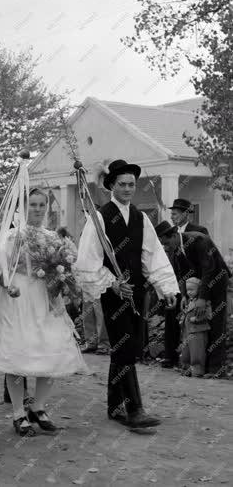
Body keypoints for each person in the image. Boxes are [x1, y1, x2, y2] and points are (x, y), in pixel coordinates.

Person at [74, 159, 179, 429]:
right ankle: (135, 409)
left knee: (126, 347)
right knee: (125, 346)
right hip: (113, 294)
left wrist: (165, 286)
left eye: (132, 184)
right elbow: (88, 260)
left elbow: (152, 255)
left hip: (137, 292)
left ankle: (114, 405)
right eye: (122, 184)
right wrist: (112, 283)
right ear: (111, 186)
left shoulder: (141, 217)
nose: (128, 188)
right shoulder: (99, 218)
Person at [0, 188, 88, 436]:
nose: (38, 210)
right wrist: (7, 281)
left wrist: (63, 276)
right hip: (19, 297)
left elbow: (64, 268)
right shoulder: (10, 237)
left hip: (46, 298)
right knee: (19, 354)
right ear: (22, 207)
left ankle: (39, 407)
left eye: (42, 205)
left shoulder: (54, 238)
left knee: (50, 350)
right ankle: (19, 412)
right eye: (33, 205)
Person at [155, 220, 230, 378]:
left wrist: (202, 299)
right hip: (199, 285)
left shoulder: (198, 241)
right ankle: (200, 366)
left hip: (217, 281)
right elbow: (182, 273)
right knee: (199, 324)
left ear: (175, 235)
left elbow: (208, 269)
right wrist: (183, 295)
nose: (165, 247)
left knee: (216, 323)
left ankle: (217, 369)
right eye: (163, 245)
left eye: (167, 243)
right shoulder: (175, 249)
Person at [178, 277, 211, 377]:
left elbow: (209, 315)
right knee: (185, 352)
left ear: (199, 290)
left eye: (192, 289)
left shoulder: (203, 302)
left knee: (197, 351)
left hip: (198, 331)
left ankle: (197, 370)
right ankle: (186, 368)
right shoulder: (188, 301)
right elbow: (186, 313)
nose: (189, 292)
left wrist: (197, 319)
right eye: (187, 290)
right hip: (187, 331)